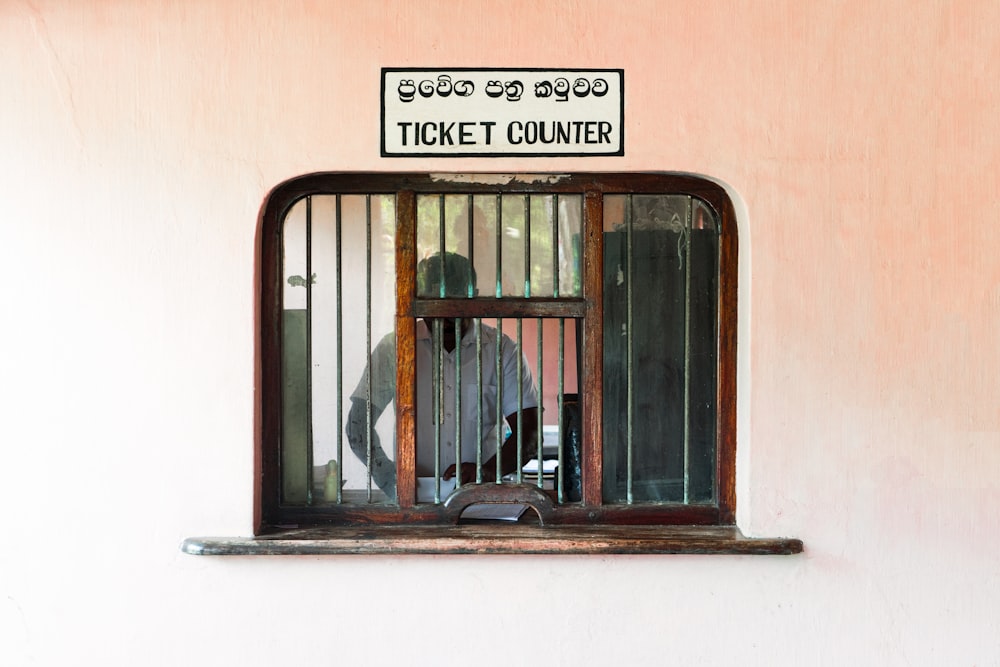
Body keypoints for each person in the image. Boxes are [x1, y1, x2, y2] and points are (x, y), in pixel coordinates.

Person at [346, 252, 539, 497]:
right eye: (436, 303)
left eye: (455, 304)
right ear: (420, 299)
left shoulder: (503, 351)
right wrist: (389, 477)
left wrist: (487, 471)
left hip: (484, 497)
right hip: (412, 499)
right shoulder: (394, 350)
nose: (446, 315)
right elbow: (357, 426)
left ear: (475, 298)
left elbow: (529, 434)